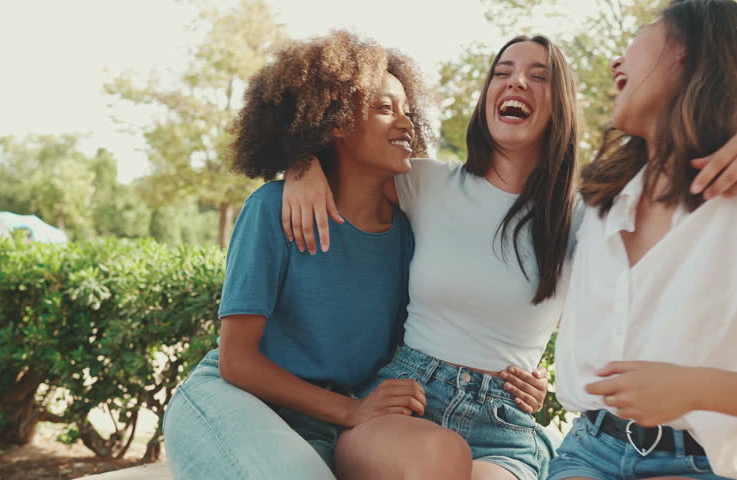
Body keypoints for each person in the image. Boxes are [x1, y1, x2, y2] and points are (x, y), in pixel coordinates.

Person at [281, 32, 737, 479]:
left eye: (539, 76)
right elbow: (343, 146)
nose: (517, 83)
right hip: (406, 402)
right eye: (502, 72)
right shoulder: (425, 182)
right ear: (487, 97)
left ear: (560, 105)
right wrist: (301, 164)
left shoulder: (586, 219)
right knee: (437, 458)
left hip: (503, 425)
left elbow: (647, 273)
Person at [161, 31, 546, 480]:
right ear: (336, 121)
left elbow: (445, 320)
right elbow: (237, 361)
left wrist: (517, 377)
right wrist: (352, 410)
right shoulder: (271, 209)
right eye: (385, 108)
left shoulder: (406, 234)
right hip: (236, 398)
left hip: (332, 422)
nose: (407, 124)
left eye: (407, 110)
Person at [548, 1, 737, 479]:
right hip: (585, 451)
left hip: (712, 464)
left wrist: (697, 388)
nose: (615, 63)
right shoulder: (605, 200)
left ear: (688, 54)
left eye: (640, 35)